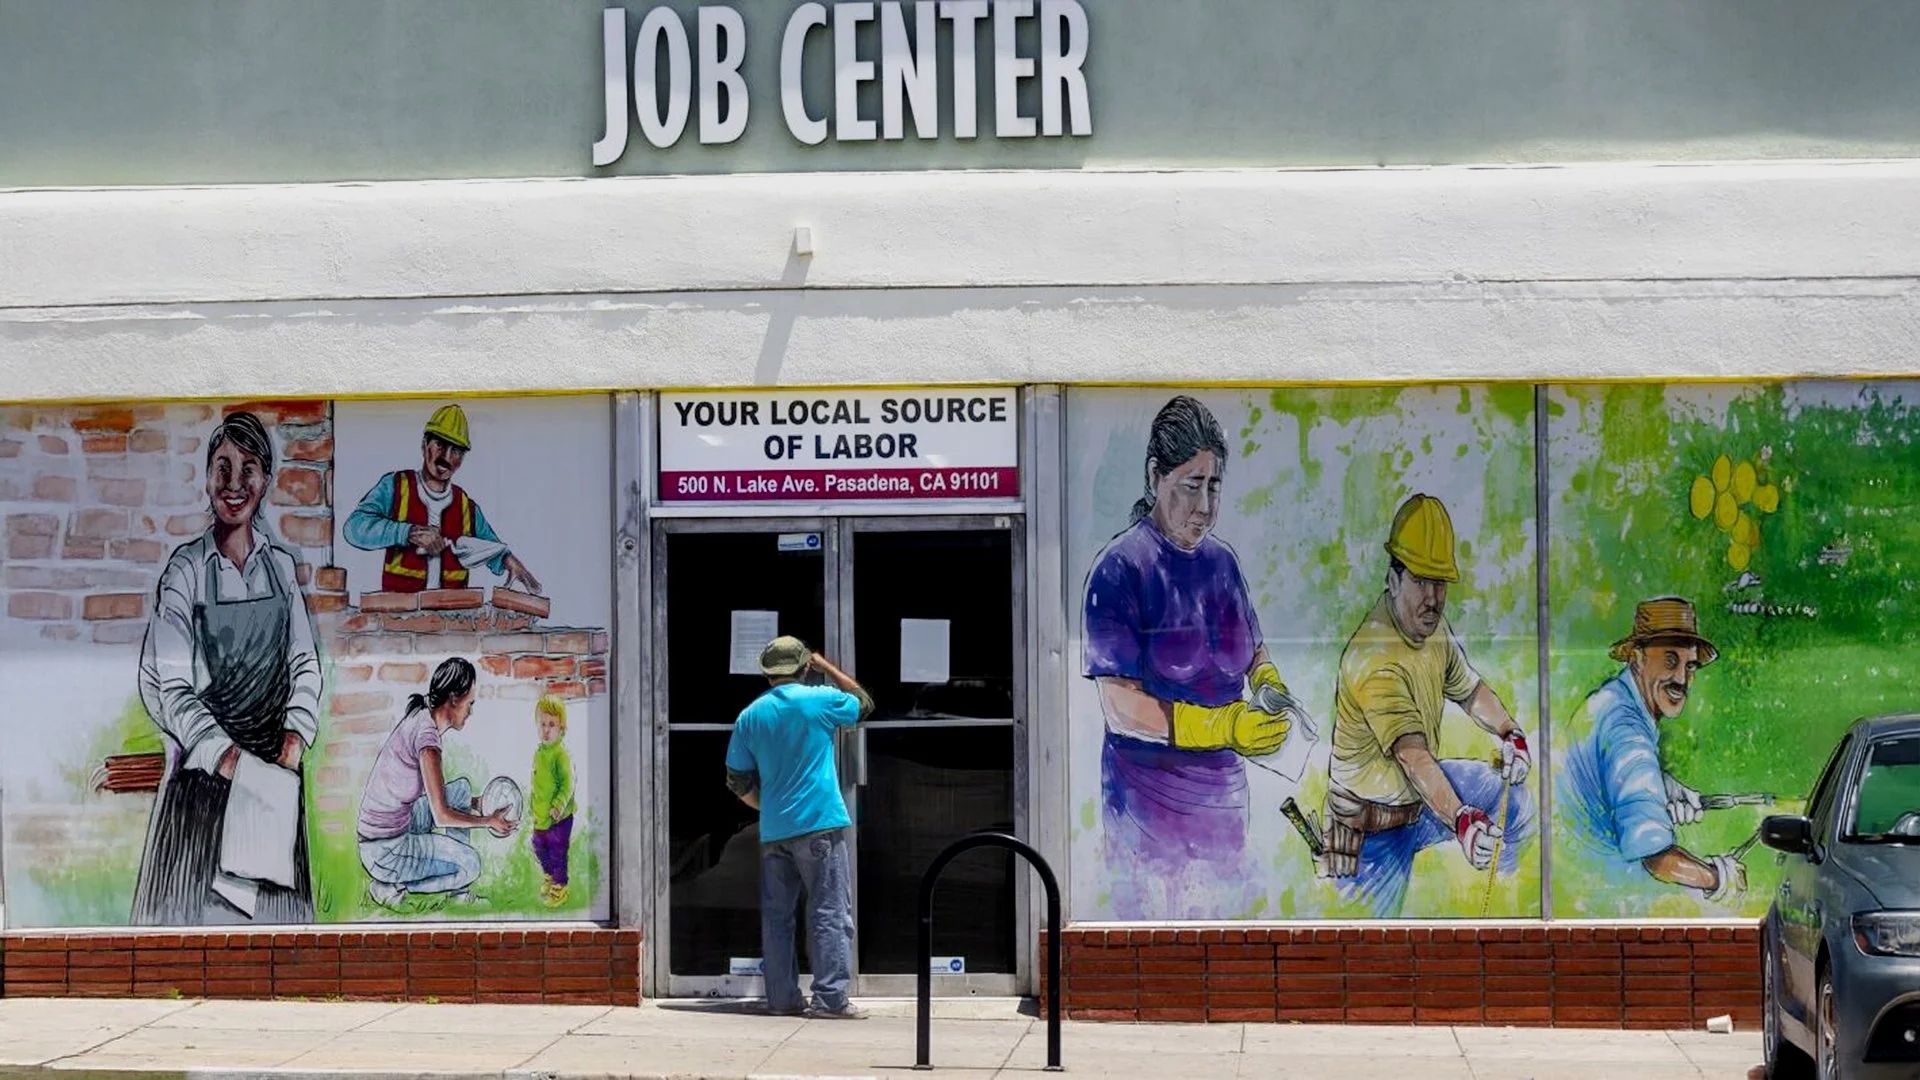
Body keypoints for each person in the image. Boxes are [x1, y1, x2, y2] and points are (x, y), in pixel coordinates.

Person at [1081, 395, 1306, 918]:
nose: (1205, 506)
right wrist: (1223, 726)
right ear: (1155, 476)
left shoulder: (1223, 564)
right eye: (1191, 485)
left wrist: (1269, 683)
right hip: (1147, 817)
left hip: (1225, 813)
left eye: (1214, 486)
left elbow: (1253, 651)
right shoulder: (1119, 571)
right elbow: (1120, 707)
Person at [135, 411, 322, 925]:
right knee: (193, 925)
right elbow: (168, 685)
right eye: (223, 468)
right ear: (207, 478)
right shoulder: (186, 571)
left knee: (276, 932)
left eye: (248, 469)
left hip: (273, 778)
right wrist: (226, 759)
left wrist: (293, 741)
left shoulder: (280, 569)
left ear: (265, 481)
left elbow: (305, 663)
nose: (234, 484)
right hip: (208, 782)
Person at [1322, 493, 1534, 917]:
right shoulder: (1374, 657)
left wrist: (1511, 733)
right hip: (1372, 833)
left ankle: (1510, 913)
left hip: (1418, 805)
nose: (1433, 597)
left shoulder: (1431, 631)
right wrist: (1462, 819)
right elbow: (1414, 757)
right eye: (1421, 580)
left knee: (1515, 801)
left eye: (1440, 583)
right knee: (1368, 953)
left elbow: (1470, 691)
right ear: (1394, 579)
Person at [1558, 597, 1746, 903]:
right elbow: (1655, 857)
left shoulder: (1612, 702)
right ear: (1637, 658)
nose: (1683, 680)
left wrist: (1664, 786)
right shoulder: (1627, 731)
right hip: (1597, 896)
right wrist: (1717, 877)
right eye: (1670, 660)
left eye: (1691, 666)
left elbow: (1612, 778)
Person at [725, 637, 874, 1019]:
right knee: (829, 912)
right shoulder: (820, 700)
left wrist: (767, 807)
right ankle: (830, 1000)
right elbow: (863, 704)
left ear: (767, 673)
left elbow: (738, 780)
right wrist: (829, 668)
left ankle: (782, 999)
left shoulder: (749, 715)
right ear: (805, 668)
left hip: (775, 831)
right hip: (820, 823)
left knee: (778, 918)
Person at [357, 657, 517, 910]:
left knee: (462, 789)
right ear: (454, 700)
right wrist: (488, 821)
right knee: (471, 864)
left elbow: (439, 800)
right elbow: (441, 816)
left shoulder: (422, 717)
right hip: (385, 850)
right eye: (470, 703)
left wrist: (480, 804)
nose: (471, 712)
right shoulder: (427, 740)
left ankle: (458, 892)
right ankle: (392, 887)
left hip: (398, 825)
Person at [343, 404, 541, 595]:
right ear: (424, 446)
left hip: (452, 620)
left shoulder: (466, 506)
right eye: (440, 445)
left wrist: (510, 561)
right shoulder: (396, 486)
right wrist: (408, 532)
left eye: (455, 451)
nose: (446, 457)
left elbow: (491, 548)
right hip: (400, 615)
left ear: (462, 460)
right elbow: (354, 528)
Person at [529, 694, 577, 908]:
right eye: (543, 724)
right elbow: (538, 784)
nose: (546, 730)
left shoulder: (560, 755)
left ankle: (560, 886)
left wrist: (558, 804)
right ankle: (549, 875)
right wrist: (534, 806)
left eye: (552, 725)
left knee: (557, 850)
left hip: (560, 817)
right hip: (541, 815)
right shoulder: (539, 753)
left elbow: (568, 784)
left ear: (562, 729)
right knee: (539, 845)